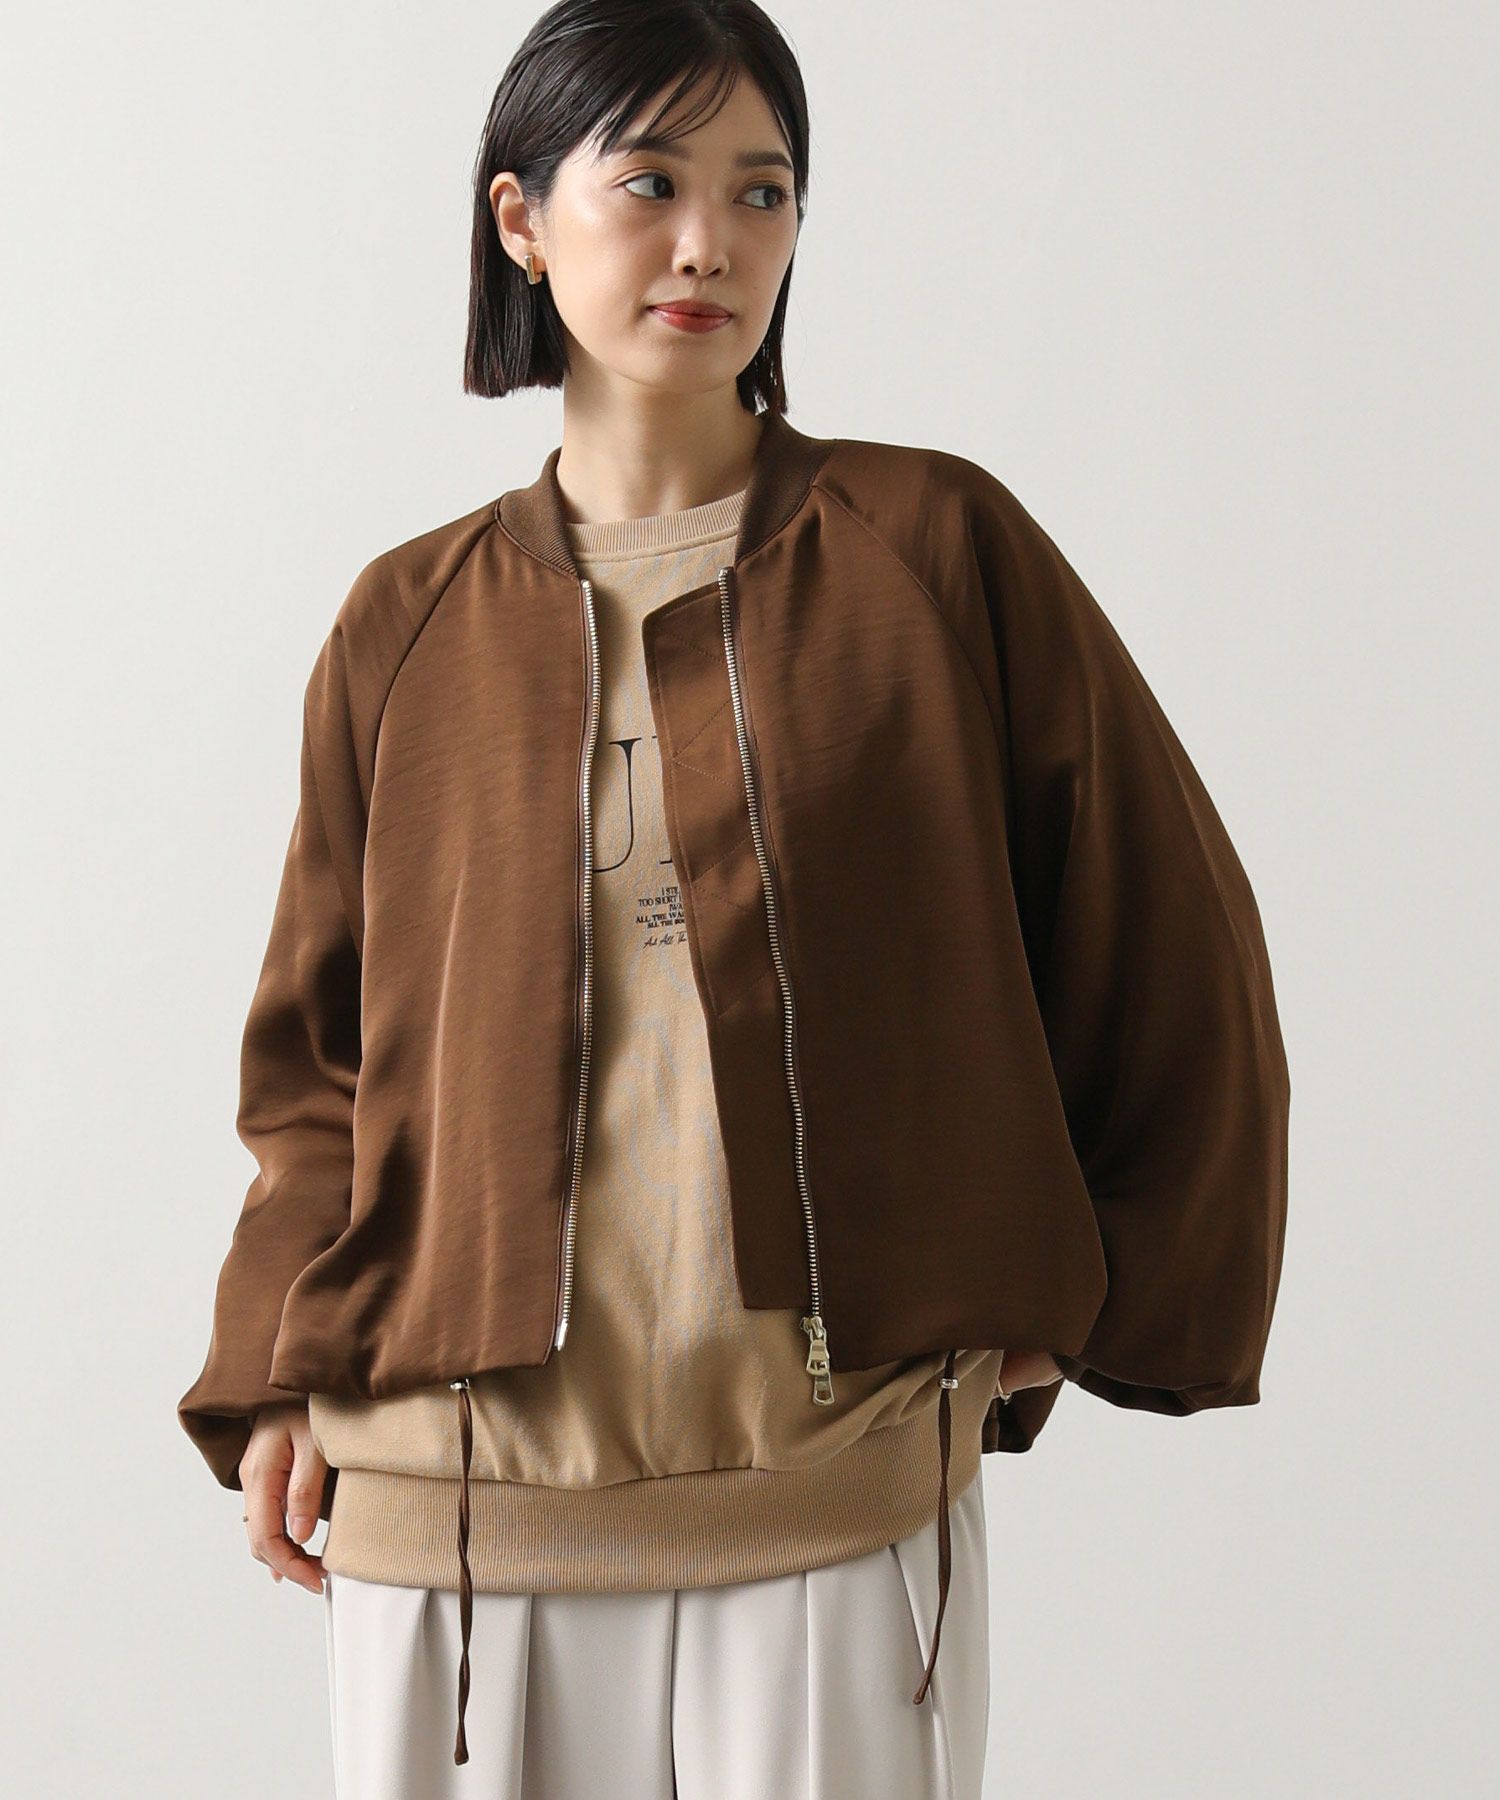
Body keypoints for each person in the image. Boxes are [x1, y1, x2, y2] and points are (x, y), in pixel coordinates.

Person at [177, 3, 1291, 1796]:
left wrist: (1067, 1289)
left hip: (832, 1497)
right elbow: (318, 1071)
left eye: (762, 193)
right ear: (521, 220)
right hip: (442, 1521)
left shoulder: (931, 553)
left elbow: (1170, 951)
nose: (711, 242)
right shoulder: (407, 621)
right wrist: (272, 1372)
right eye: (652, 183)